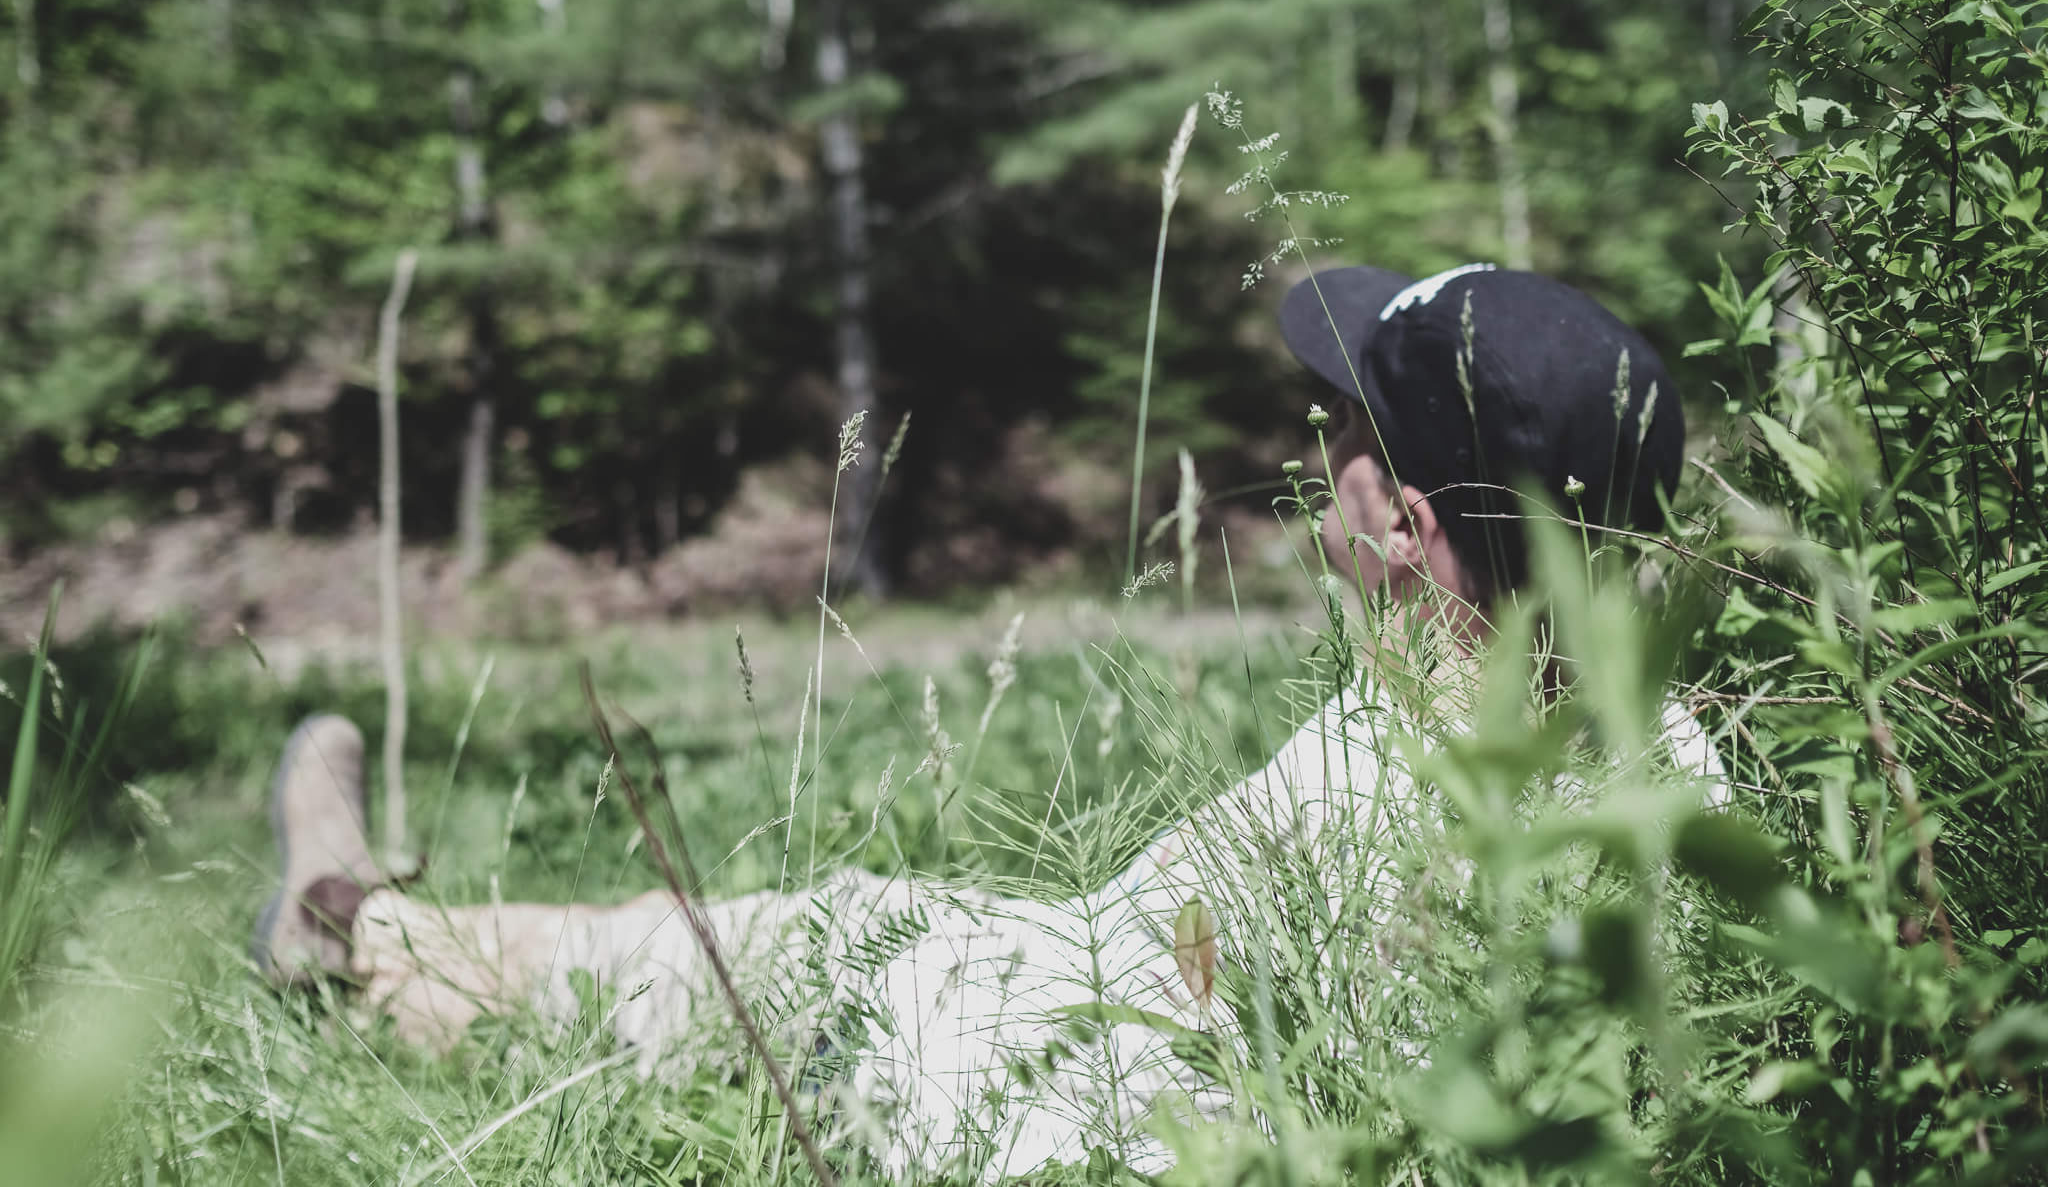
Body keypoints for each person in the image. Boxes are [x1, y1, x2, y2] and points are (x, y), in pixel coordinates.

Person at [251, 262, 1720, 1179]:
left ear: (1399, 526)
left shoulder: (1384, 805)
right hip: (1008, 985)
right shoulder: (1665, 768)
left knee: (686, 958)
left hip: (955, 1060)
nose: (1312, 448)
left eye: (1343, 429)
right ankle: (367, 922)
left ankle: (348, 929)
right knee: (734, 934)